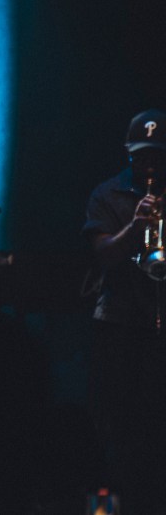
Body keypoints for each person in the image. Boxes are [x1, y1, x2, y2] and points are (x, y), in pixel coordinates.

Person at [83, 108, 166, 512]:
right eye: (141, 157)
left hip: (159, 322)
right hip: (119, 322)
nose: (149, 166)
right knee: (119, 422)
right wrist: (136, 227)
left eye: (156, 157)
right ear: (128, 154)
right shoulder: (106, 194)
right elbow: (102, 254)